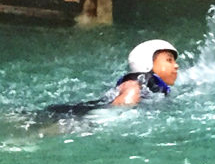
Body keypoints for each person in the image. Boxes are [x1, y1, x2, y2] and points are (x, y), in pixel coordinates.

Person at [34, 38, 180, 125]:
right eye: (168, 60)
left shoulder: (150, 84)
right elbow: (127, 99)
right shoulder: (138, 82)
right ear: (148, 63)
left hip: (82, 110)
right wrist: (101, 120)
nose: (176, 65)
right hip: (83, 115)